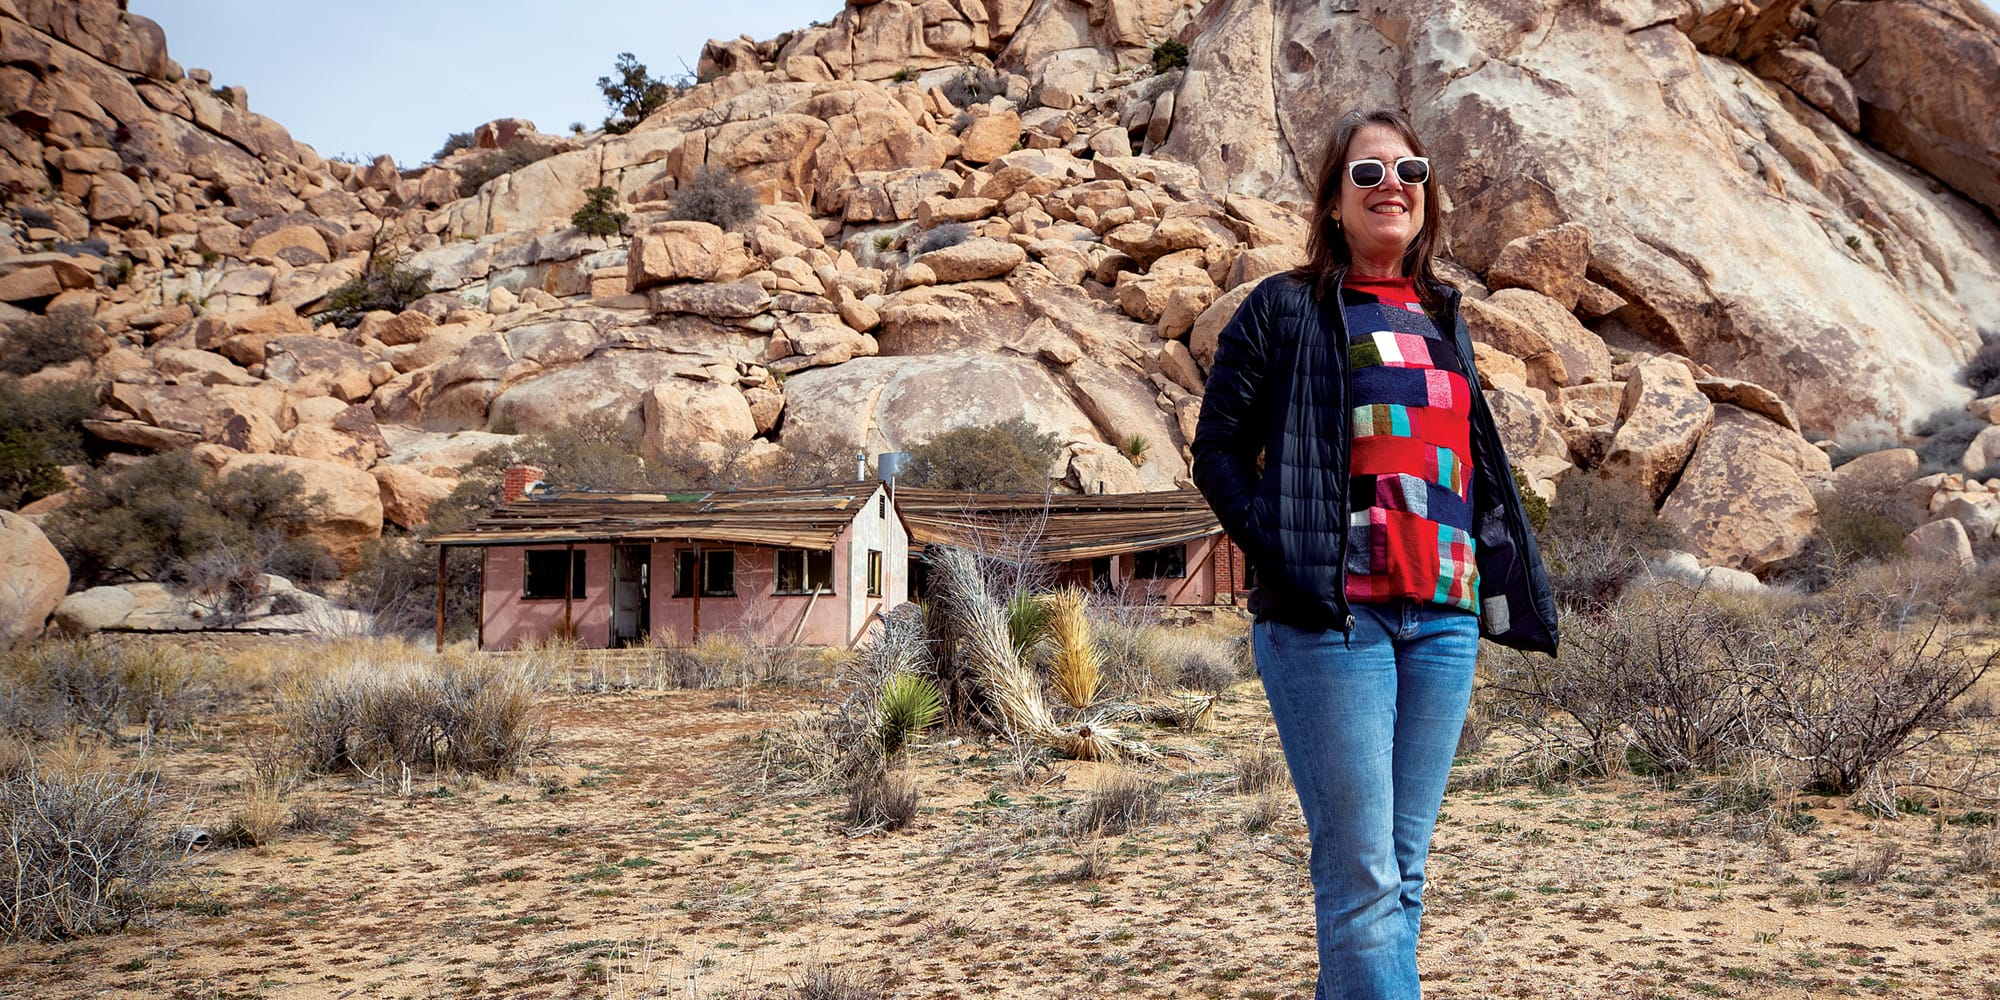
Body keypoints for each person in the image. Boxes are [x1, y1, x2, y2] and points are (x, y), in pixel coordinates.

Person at [1191, 108, 1560, 1000]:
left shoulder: (1444, 315)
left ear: (1427, 198)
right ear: (1330, 204)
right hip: (1333, 621)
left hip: (1443, 618)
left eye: (1409, 170)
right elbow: (1218, 453)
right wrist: (1283, 547)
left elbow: (1468, 463)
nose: (1391, 184)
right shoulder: (1286, 307)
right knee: (1364, 881)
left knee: (1403, 872)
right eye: (1366, 173)